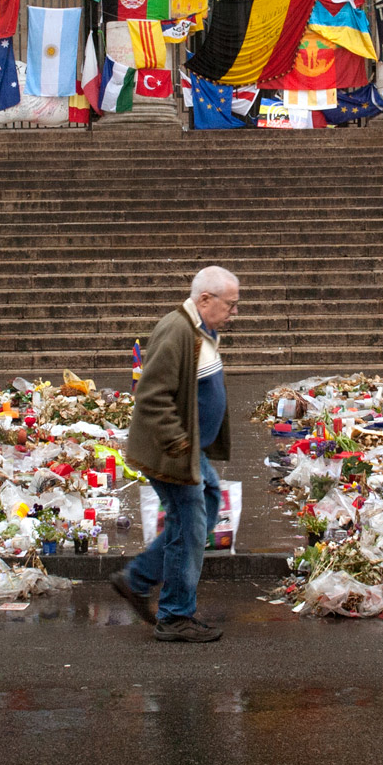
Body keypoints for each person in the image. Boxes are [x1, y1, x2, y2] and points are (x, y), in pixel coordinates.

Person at [113, 266, 238, 643]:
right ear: (204, 300)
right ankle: (174, 615)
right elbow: (151, 396)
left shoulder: (202, 330)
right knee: (190, 527)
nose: (235, 313)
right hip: (173, 451)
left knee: (210, 499)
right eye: (230, 305)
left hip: (187, 448)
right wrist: (178, 443)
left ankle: (136, 580)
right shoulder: (177, 330)